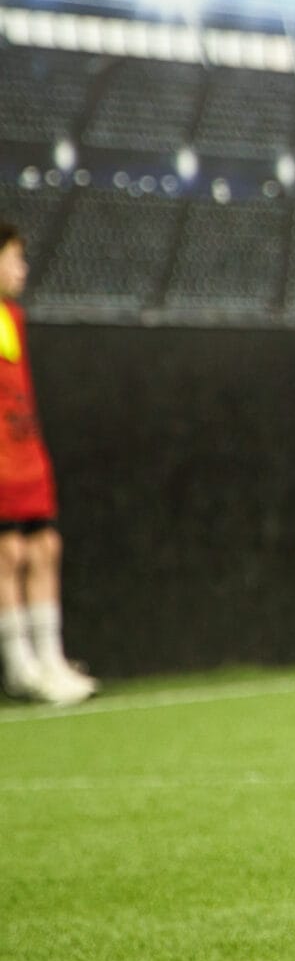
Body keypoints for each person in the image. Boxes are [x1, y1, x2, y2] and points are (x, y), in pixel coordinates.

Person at [0, 224, 95, 704]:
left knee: (45, 549)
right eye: (13, 257)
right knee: (7, 554)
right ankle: (20, 666)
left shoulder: (10, 317)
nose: (22, 268)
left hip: (24, 458)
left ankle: (51, 659)